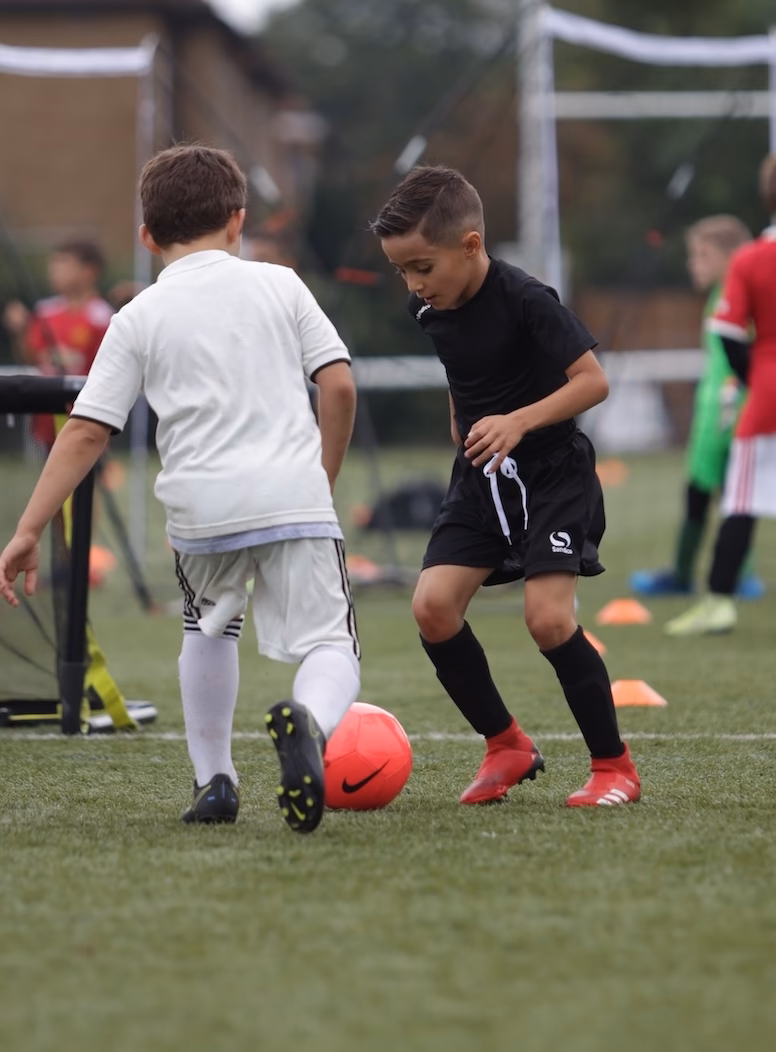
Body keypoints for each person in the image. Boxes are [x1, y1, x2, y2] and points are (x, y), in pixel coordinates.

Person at [0, 145, 360, 833]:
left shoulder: (136, 317)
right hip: (292, 493)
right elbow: (338, 384)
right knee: (328, 644)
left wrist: (28, 529)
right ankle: (308, 724)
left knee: (208, 627)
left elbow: (85, 431)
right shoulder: (282, 285)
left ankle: (215, 782)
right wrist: (323, 477)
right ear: (238, 220)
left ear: (146, 237)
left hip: (201, 510)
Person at [370, 165, 640, 807]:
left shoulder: (527, 299)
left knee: (547, 620)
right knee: (432, 608)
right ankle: (506, 745)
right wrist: (464, 430)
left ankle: (614, 768)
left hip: (551, 473)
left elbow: (592, 382)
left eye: (422, 267)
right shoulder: (427, 307)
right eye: (401, 271)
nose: (412, 285)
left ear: (470, 245)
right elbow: (463, 376)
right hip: (481, 478)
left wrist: (517, 422)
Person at [666, 156, 776, 636]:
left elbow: (730, 333)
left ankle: (719, 600)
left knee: (740, 501)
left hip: (765, 397)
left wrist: (754, 381)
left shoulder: (752, 259)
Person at [630, 215, 764, 599]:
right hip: (713, 415)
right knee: (705, 493)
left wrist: (733, 401)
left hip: (730, 414)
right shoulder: (717, 297)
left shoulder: (739, 297)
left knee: (731, 495)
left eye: (703, 255)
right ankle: (689, 573)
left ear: (732, 257)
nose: (694, 263)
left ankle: (732, 575)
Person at [3, 239, 113, 447]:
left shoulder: (102, 317)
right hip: (46, 417)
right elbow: (29, 356)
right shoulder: (45, 312)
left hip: (87, 418)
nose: (54, 270)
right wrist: (20, 332)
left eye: (64, 263)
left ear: (90, 271)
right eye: (53, 263)